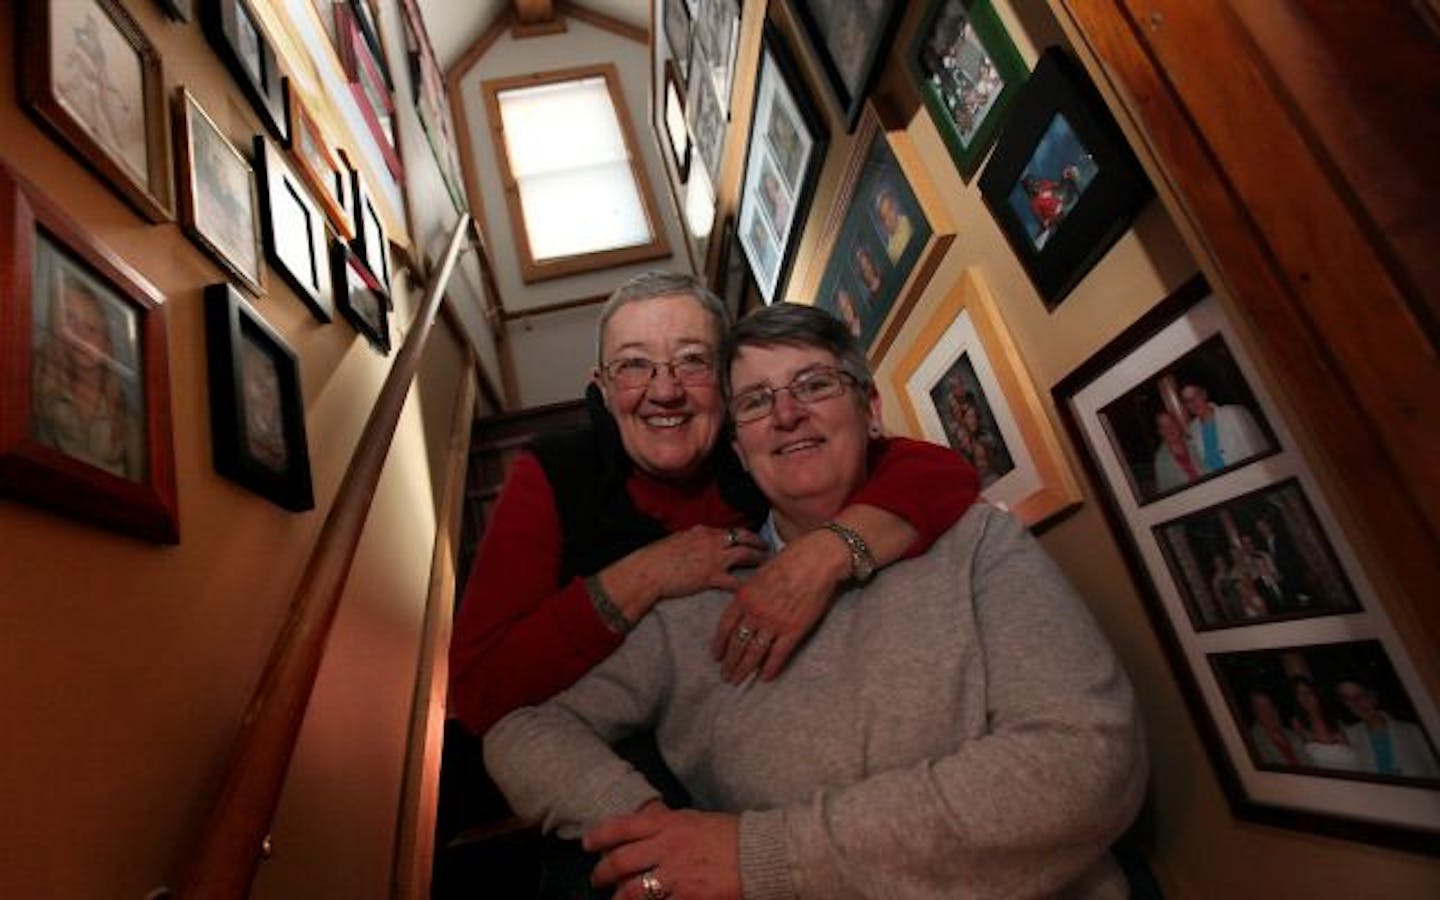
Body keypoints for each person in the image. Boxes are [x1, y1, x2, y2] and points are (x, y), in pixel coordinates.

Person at [485, 302, 1144, 899]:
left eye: (814, 384)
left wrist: (762, 856)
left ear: (872, 410)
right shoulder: (692, 606)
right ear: (738, 451)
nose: (787, 412)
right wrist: (653, 829)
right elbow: (519, 729)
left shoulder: (976, 542)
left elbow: (1089, 763)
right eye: (754, 401)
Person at [449, 272, 979, 739]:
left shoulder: (761, 451)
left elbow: (943, 473)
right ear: (603, 390)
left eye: (692, 362)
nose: (665, 391)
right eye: (634, 365)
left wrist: (824, 553)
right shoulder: (554, 471)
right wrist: (648, 573)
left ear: (727, 388)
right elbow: (478, 690)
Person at [31, 272, 143, 479]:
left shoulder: (128, 422)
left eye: (92, 328)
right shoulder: (37, 384)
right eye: (71, 320)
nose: (81, 336)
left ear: (108, 344)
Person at [1334, 678, 1440, 779]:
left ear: (1373, 696)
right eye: (1347, 699)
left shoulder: (1413, 731)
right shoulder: (1348, 737)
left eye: (1361, 696)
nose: (1356, 703)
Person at [1178, 378, 1267, 473]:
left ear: (1204, 394)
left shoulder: (1233, 413)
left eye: (1196, 396)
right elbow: (1199, 463)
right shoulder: (1192, 429)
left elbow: (1256, 448)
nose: (1193, 403)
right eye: (1187, 401)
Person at [1289, 675, 1363, 772]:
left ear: (1316, 693)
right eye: (1299, 694)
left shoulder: (1336, 716)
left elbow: (1357, 747)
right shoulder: (1297, 723)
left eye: (1308, 692)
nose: (1305, 697)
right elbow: (1302, 758)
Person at [1246, 688, 1308, 767]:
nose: (1268, 712)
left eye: (1269, 706)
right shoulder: (1253, 742)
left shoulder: (1292, 735)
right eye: (1261, 709)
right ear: (1255, 713)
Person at [1150, 409, 1200, 494]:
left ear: (1177, 424)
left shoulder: (1195, 442)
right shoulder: (1161, 460)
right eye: (1164, 427)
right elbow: (1163, 492)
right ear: (1160, 432)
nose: (1169, 429)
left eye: (1171, 423)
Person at [872, 186, 913, 262]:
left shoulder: (908, 221)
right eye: (884, 217)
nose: (889, 218)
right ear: (882, 223)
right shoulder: (892, 251)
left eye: (890, 209)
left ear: (895, 207)